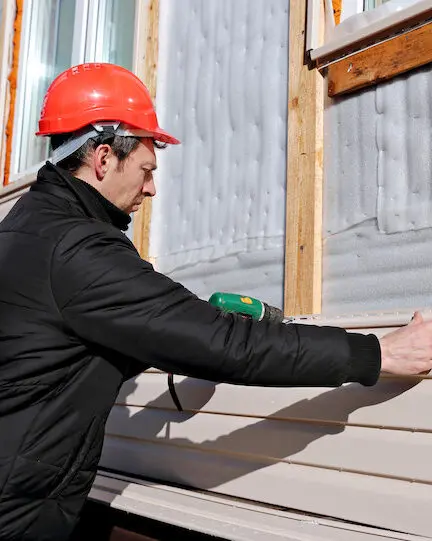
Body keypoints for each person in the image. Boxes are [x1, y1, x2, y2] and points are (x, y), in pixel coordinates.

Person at [0, 62, 431, 541]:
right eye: (146, 170)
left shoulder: (24, 231)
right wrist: (380, 353)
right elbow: (225, 344)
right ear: (103, 158)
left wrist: (169, 329)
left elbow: (50, 358)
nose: (151, 188)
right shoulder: (78, 248)